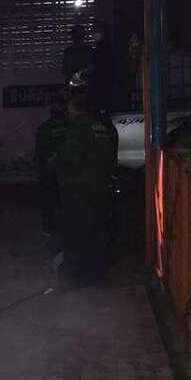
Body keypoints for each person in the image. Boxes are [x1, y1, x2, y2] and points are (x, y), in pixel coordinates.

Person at [55, 63, 118, 283]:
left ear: (75, 108)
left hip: (79, 191)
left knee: (79, 235)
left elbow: (69, 159)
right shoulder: (104, 126)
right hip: (100, 189)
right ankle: (97, 275)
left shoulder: (78, 128)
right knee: (98, 232)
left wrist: (55, 162)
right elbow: (111, 156)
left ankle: (81, 276)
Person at [34, 104, 68, 235]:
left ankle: (50, 227)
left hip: (51, 171)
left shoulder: (45, 127)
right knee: (55, 201)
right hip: (55, 171)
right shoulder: (66, 126)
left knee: (50, 201)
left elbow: (40, 151)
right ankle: (54, 227)